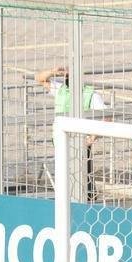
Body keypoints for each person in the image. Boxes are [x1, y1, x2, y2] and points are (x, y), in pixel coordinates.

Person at [37, 64, 106, 202]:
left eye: (71, 74)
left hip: (80, 144)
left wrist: (92, 137)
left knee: (82, 178)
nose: (68, 77)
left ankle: (87, 203)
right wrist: (53, 71)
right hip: (61, 142)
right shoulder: (61, 90)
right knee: (65, 178)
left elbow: (107, 117)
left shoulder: (90, 94)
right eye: (67, 75)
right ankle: (68, 204)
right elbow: (40, 79)